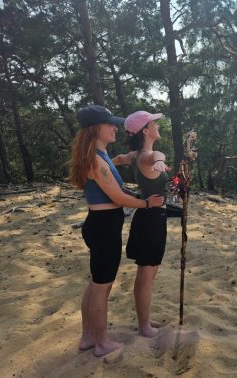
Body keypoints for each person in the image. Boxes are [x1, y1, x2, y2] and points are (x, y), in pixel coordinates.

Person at [69, 105, 164, 356]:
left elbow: (114, 192)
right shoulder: (97, 161)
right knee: (102, 286)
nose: (114, 127)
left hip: (101, 225)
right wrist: (145, 203)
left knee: (95, 284)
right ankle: (101, 342)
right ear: (94, 129)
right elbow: (118, 196)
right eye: (109, 124)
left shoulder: (99, 156)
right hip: (103, 228)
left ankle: (88, 337)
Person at [112, 111, 170, 338]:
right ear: (145, 130)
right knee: (147, 276)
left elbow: (115, 160)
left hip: (146, 218)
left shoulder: (134, 155)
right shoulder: (147, 155)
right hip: (152, 220)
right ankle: (144, 327)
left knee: (145, 274)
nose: (157, 125)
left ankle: (144, 319)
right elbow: (158, 156)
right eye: (154, 123)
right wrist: (160, 162)